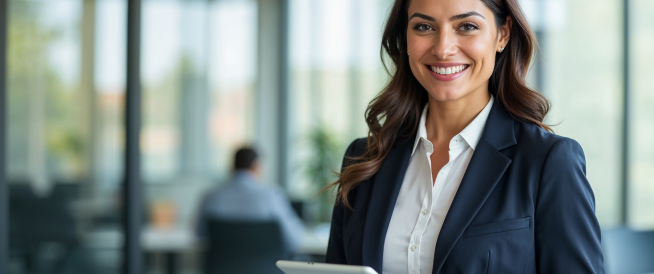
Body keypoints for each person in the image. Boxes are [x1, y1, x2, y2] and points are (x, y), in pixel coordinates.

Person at [323, 0, 605, 273]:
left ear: (502, 35)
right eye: (423, 27)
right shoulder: (364, 160)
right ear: (404, 37)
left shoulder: (548, 162)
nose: (443, 49)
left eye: (467, 26)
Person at [196, 147, 304, 251]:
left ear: (233, 166)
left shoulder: (211, 197)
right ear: (256, 165)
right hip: (265, 267)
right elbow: (294, 239)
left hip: (221, 267)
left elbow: (199, 234)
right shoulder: (271, 196)